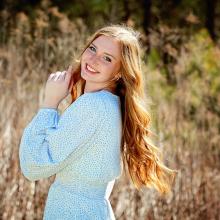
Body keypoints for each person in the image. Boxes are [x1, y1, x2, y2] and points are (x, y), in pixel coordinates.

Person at [19, 23, 177, 220]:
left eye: (107, 58)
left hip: (75, 213)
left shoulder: (94, 107)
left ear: (120, 72)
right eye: (92, 49)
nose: (93, 59)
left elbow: (34, 165)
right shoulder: (111, 104)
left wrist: (49, 103)